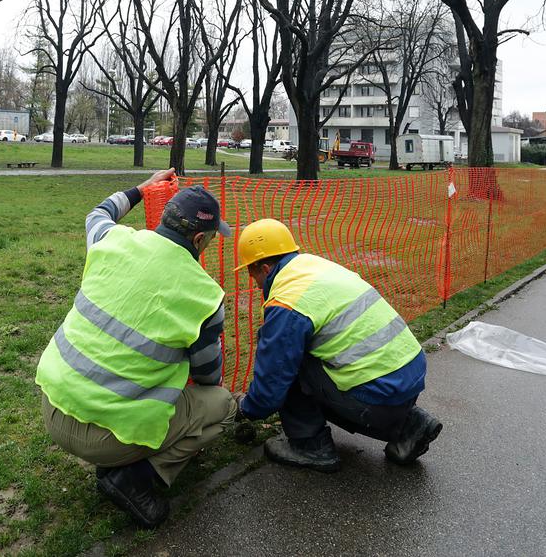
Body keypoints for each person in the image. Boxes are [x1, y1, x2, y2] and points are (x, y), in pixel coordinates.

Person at [35, 168, 237, 528]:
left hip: (53, 408)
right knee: (222, 406)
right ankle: (136, 477)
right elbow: (209, 378)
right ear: (200, 240)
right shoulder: (206, 297)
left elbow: (97, 214)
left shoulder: (112, 241)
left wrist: (143, 189)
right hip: (109, 439)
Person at [233, 218, 441, 472]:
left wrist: (246, 409)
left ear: (265, 269)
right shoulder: (315, 265)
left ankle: (310, 445)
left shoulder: (287, 301)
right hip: (407, 379)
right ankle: (410, 425)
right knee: (299, 349)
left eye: (251, 272)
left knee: (287, 358)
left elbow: (273, 379)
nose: (253, 281)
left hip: (377, 397)